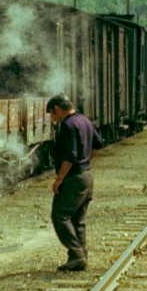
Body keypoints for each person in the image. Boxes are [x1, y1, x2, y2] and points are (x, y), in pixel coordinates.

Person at [46, 94, 102, 272]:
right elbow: (98, 144)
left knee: (60, 216)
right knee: (78, 219)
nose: (53, 119)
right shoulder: (85, 120)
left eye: (52, 115)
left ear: (57, 109)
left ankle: (76, 254)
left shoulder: (68, 125)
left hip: (73, 178)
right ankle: (80, 257)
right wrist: (86, 163)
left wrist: (59, 179)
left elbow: (70, 156)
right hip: (86, 175)